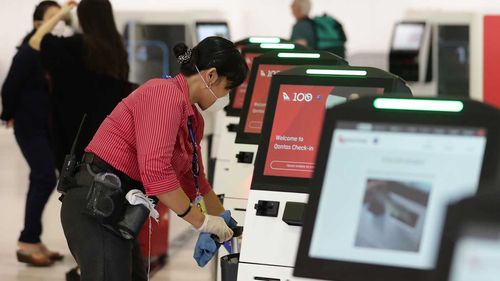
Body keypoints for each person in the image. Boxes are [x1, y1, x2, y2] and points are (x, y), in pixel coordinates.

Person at [56, 36, 248, 281]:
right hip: (95, 205)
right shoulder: (163, 96)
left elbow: (193, 180)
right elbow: (156, 173)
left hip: (118, 209)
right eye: (227, 88)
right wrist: (201, 222)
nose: (226, 97)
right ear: (211, 76)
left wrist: (224, 221)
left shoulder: (192, 119)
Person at [0, 0, 66, 267]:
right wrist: (8, 115)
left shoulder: (50, 53)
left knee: (41, 178)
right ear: (39, 24)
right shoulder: (28, 51)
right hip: (29, 126)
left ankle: (34, 239)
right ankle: (27, 242)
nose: (59, 22)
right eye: (54, 17)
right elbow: (9, 86)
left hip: (44, 127)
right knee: (44, 177)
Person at [29, 0, 131, 170]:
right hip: (109, 137)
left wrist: (62, 14)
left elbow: (35, 41)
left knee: (77, 190)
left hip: (75, 136)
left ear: (83, 19)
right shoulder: (117, 48)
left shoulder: (75, 46)